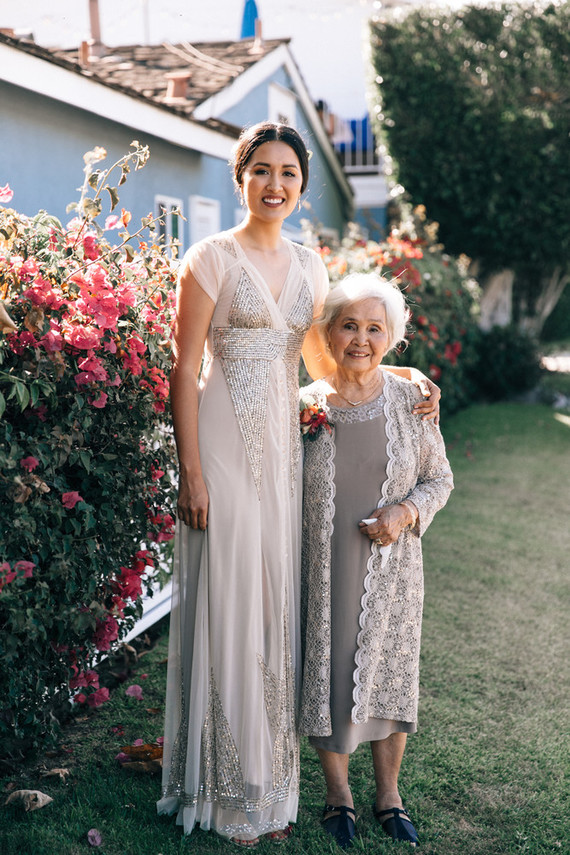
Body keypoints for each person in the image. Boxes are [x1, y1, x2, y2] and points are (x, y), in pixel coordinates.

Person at [157, 122, 440, 846]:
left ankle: (270, 782)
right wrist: (190, 470)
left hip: (288, 447)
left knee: (279, 603)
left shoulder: (313, 267)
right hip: (221, 443)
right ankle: (223, 785)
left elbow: (338, 353)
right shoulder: (209, 259)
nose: (274, 184)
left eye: (288, 172)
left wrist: (405, 372)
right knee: (233, 592)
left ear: (302, 186)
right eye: (261, 170)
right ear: (240, 178)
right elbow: (182, 372)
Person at [299, 272, 453, 849]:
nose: (360, 340)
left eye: (373, 328)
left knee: (391, 673)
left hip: (392, 571)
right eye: (348, 326)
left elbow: (439, 478)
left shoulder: (412, 400)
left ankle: (389, 795)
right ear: (330, 334)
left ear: (390, 338)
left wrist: (405, 512)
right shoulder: (305, 407)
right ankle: (338, 796)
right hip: (323, 567)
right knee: (330, 674)